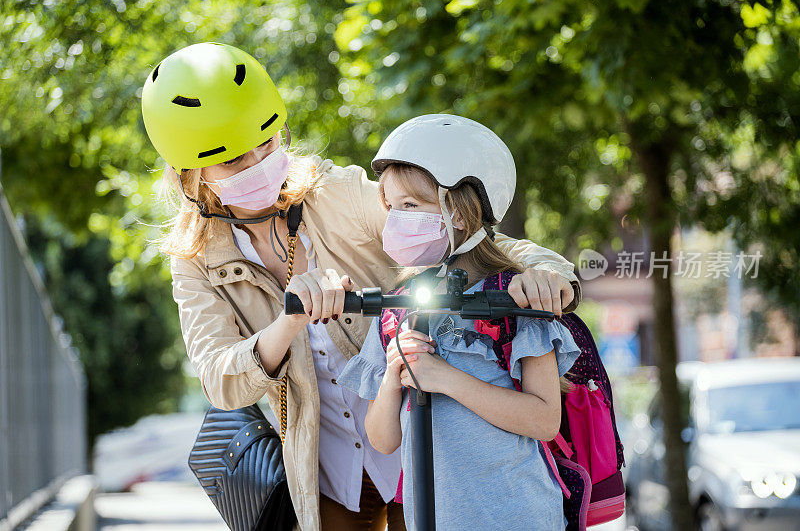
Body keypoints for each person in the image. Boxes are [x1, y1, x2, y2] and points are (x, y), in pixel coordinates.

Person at [142, 43, 582, 531]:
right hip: (329, 468)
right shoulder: (197, 261)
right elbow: (221, 379)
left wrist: (548, 275)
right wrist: (291, 319)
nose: (258, 164)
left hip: (426, 437)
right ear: (189, 175)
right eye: (232, 162)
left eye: (266, 145)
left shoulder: (337, 193)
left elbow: (459, 231)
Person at [336, 114, 582, 530]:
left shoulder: (513, 299)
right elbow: (382, 439)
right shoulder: (398, 310)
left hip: (518, 517)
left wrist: (444, 377)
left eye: (411, 207)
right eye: (392, 208)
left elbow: (543, 420)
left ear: (461, 214)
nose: (396, 221)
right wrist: (393, 376)